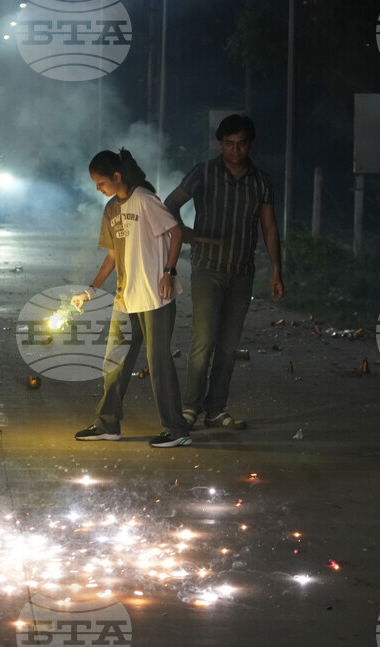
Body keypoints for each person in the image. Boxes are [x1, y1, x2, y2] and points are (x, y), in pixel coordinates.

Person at [163, 114, 284, 430]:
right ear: (220, 143)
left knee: (228, 348)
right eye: (229, 144)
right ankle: (190, 407)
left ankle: (216, 410)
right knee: (203, 342)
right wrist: (184, 232)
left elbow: (269, 227)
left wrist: (276, 271)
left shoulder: (261, 181)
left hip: (241, 273)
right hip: (207, 270)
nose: (235, 150)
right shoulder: (203, 173)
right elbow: (169, 204)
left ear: (250, 144)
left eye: (241, 144)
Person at [70, 149, 192, 449]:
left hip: (155, 295)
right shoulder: (111, 209)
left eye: (100, 182)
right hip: (126, 296)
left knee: (158, 362)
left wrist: (169, 272)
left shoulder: (145, 200)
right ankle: (107, 424)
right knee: (115, 360)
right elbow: (112, 255)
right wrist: (91, 289)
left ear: (117, 176)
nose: (98, 188)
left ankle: (176, 429)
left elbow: (176, 233)